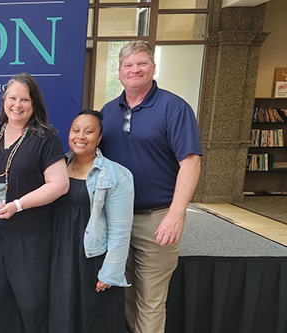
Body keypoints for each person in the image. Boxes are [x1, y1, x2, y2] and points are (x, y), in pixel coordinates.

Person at [99, 41, 202, 333]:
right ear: (119, 73)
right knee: (128, 295)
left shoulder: (175, 107)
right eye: (128, 65)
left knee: (150, 299)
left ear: (153, 68)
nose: (135, 70)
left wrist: (176, 214)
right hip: (116, 220)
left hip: (157, 219)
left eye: (142, 63)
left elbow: (191, 162)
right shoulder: (108, 112)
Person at [0, 72, 69, 332]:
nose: (17, 105)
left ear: (34, 104)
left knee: (32, 306)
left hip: (30, 238)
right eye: (12, 98)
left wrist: (18, 205)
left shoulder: (45, 138)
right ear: (4, 100)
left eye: (25, 100)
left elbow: (59, 184)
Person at [49, 110, 134, 333]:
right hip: (59, 256)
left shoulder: (116, 175)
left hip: (93, 259)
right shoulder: (55, 168)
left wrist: (110, 272)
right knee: (62, 314)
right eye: (75, 130)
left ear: (99, 138)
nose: (80, 136)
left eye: (89, 132)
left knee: (92, 319)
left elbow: (120, 229)